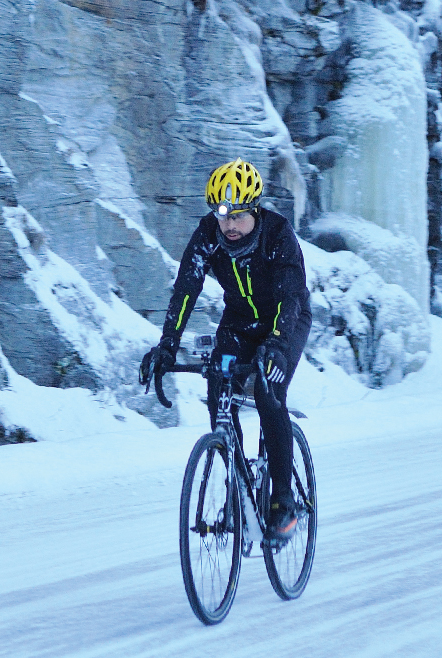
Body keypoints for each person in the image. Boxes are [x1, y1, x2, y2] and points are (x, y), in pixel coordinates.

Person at [140, 158, 312, 543]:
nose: (230, 226)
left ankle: (282, 500)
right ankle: (238, 489)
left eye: (238, 216)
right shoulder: (208, 236)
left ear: (254, 211)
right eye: (223, 217)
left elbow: (289, 298)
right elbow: (186, 288)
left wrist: (278, 346)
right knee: (218, 387)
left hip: (287, 321)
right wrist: (167, 346)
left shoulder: (278, 235)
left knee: (268, 393)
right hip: (239, 324)